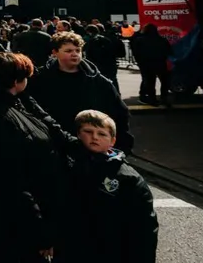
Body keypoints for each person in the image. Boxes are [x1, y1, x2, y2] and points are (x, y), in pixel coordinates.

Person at [0, 52, 73, 263]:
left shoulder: (5, 99)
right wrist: (42, 234)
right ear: (15, 81)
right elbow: (14, 185)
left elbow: (45, 120)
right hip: (21, 221)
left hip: (15, 214)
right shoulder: (2, 117)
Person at [65, 110, 158, 263]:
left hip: (111, 252)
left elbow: (144, 229)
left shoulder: (128, 178)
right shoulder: (68, 164)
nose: (94, 137)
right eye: (88, 131)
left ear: (112, 141)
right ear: (78, 135)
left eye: (102, 134)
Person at [28, 32, 134, 152]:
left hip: (91, 143)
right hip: (55, 142)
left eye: (77, 50)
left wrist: (120, 142)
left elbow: (120, 111)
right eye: (68, 51)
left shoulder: (97, 80)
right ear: (55, 52)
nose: (74, 54)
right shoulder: (40, 79)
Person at [131, 23, 172, 106]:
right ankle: (164, 98)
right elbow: (169, 52)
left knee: (150, 82)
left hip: (146, 64)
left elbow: (136, 53)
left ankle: (152, 99)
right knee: (164, 81)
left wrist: (140, 62)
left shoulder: (139, 40)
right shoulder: (162, 40)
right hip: (160, 63)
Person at [83, 24, 120, 93]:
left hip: (98, 64)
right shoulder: (110, 38)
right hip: (111, 63)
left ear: (89, 32)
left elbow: (89, 54)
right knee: (113, 80)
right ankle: (116, 94)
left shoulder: (91, 41)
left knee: (100, 81)